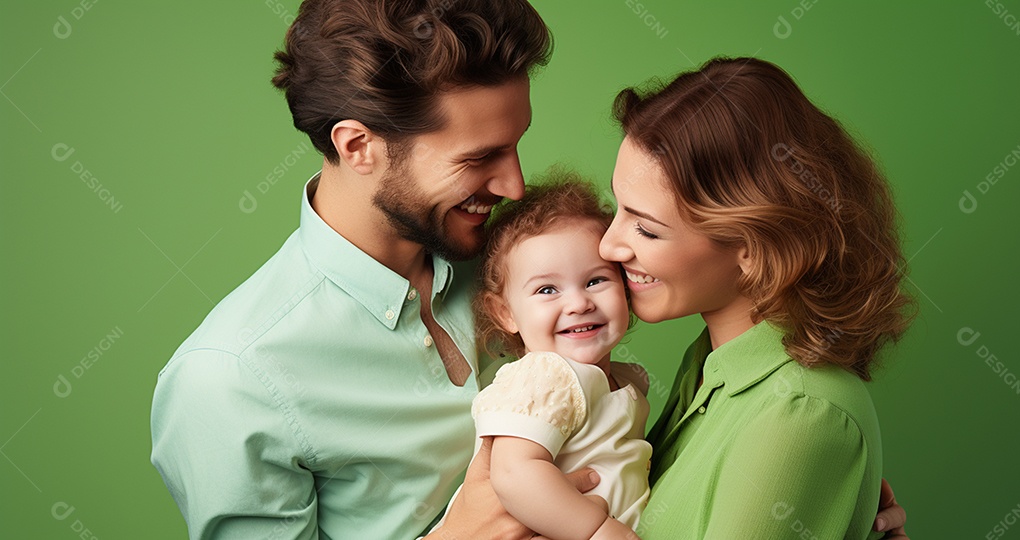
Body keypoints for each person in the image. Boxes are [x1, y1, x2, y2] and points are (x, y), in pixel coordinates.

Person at [148, 1, 600, 539]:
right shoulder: (229, 379)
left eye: (516, 145)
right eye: (478, 158)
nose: (514, 186)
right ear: (359, 147)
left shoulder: (520, 259)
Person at [598, 56, 914, 538]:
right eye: (618, 207)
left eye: (645, 228)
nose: (609, 244)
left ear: (752, 247)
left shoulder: (804, 415)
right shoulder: (712, 365)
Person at [433, 176, 650, 539]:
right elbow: (514, 474)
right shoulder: (545, 375)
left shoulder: (623, 380)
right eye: (547, 289)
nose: (579, 303)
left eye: (596, 280)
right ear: (505, 313)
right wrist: (595, 529)